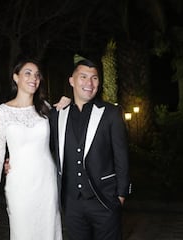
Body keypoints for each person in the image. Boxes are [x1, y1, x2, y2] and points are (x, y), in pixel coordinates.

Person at [0, 56, 69, 240]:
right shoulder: (2, 112)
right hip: (19, 185)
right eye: (28, 73)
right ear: (16, 77)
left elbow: (65, 133)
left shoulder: (45, 108)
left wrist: (68, 105)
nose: (34, 78)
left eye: (37, 75)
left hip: (47, 182)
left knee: (49, 232)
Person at [49, 59, 131, 240]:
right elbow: (44, 150)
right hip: (72, 204)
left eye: (94, 78)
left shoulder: (110, 113)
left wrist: (121, 195)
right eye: (83, 77)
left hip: (105, 200)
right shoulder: (56, 114)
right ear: (71, 80)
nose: (89, 83)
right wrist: (12, 161)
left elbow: (122, 156)